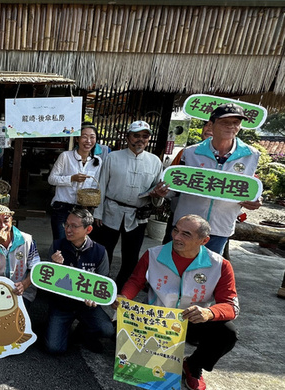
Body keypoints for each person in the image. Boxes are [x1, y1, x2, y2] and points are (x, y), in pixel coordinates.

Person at [114, 215, 239, 390]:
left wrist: (208, 313)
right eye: (176, 230)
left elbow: (230, 305)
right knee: (116, 336)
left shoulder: (220, 265)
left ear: (204, 240)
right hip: (156, 321)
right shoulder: (153, 254)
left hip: (192, 321)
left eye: (186, 234)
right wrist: (124, 297)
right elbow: (135, 281)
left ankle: (193, 364)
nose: (177, 237)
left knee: (227, 333)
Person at [172, 103, 262, 255]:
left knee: (207, 273)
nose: (231, 127)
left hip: (220, 227)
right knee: (175, 268)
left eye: (236, 123)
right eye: (225, 122)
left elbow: (250, 186)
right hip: (186, 227)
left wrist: (255, 200)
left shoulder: (252, 155)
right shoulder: (190, 153)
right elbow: (173, 187)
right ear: (211, 124)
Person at [92, 120, 169, 288]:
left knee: (131, 255)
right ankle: (100, 285)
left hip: (137, 215)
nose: (140, 140)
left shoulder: (155, 161)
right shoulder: (113, 157)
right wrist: (97, 212)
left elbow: (157, 192)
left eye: (144, 136)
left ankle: (122, 289)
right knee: (104, 251)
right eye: (136, 135)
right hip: (111, 211)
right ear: (128, 137)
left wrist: (158, 195)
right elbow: (101, 185)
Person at [46, 209, 114, 354]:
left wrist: (95, 299)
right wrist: (54, 267)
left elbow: (103, 283)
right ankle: (60, 328)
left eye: (74, 226)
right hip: (62, 305)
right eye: (66, 224)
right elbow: (45, 282)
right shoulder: (57, 246)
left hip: (87, 306)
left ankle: (83, 332)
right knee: (54, 348)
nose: (68, 229)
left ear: (88, 229)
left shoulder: (100, 251)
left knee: (107, 330)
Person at [48, 122, 103, 240]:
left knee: (77, 244)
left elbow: (95, 186)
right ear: (77, 139)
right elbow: (52, 179)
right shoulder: (66, 156)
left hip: (83, 210)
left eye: (92, 137)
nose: (88, 141)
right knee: (61, 243)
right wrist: (71, 179)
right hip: (62, 208)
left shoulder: (97, 161)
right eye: (84, 136)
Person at [0, 204, 40, 307]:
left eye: (6, 220)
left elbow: (36, 268)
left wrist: (24, 284)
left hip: (22, 292)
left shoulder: (27, 240)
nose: (2, 225)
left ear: (12, 221)